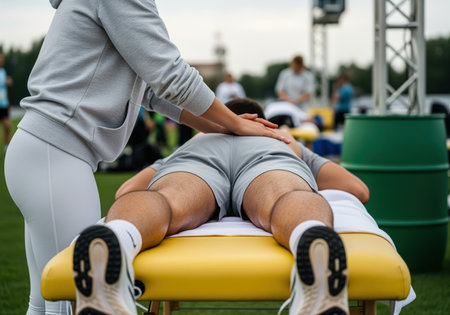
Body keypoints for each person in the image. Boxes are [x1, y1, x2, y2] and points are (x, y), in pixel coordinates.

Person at [3, 2, 288, 315]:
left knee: (45, 304)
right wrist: (234, 123)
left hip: (44, 153)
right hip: (55, 154)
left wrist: (228, 127)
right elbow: (171, 75)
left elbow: (155, 92)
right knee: (72, 300)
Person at [72, 98, 369, 315]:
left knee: (167, 199)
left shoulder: (197, 140)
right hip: (267, 153)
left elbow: (126, 191)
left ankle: (120, 239)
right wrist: (295, 151)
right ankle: (310, 236)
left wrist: (195, 143)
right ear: (260, 120)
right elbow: (359, 190)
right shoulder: (280, 138)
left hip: (200, 154)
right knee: (284, 195)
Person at [0, 52, 12, 152]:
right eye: (0, 58)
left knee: (7, 126)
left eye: (2, 58)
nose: (2, 60)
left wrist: (8, 81)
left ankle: (6, 148)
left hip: (3, 104)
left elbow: (5, 87)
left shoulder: (3, 71)